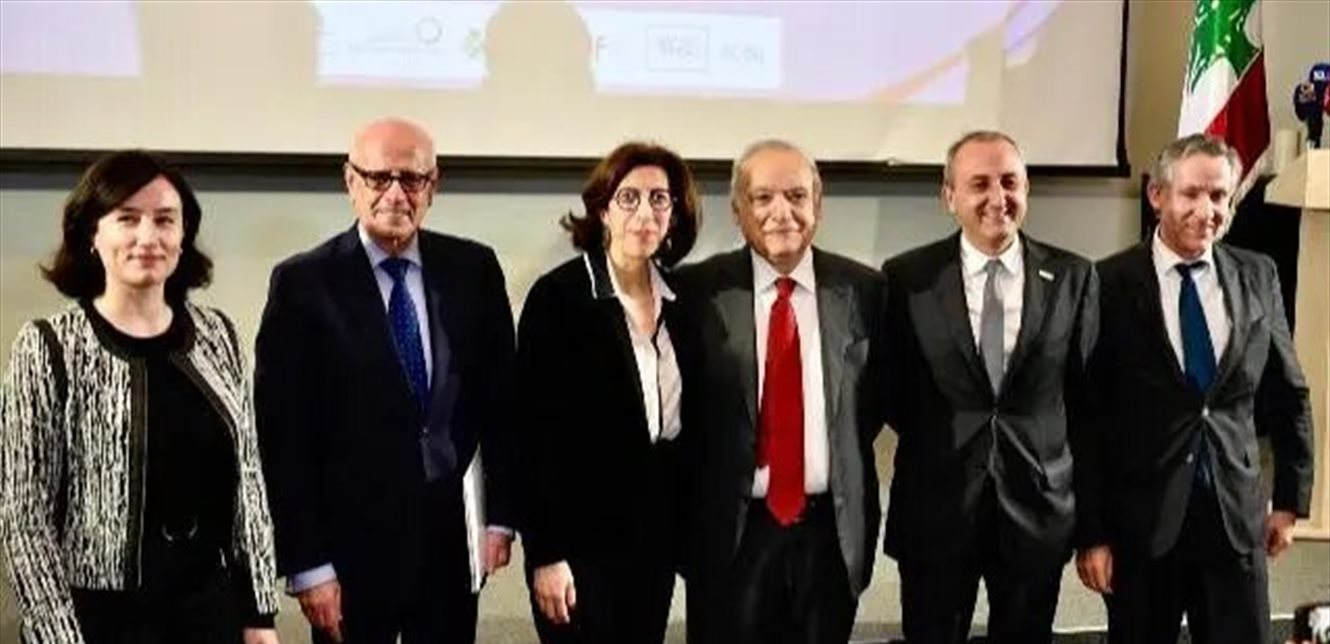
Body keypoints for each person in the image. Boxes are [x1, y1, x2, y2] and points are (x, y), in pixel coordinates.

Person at [254, 118, 517, 644]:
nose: (395, 194)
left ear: (433, 186)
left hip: (448, 547)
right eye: (378, 178)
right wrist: (308, 564)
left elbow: (503, 405)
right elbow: (284, 437)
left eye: (412, 179)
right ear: (350, 181)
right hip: (348, 555)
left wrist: (500, 518)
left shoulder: (474, 269)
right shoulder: (303, 284)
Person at [0, 150, 281, 644]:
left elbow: (249, 482)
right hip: (97, 619)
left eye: (165, 220)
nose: (147, 237)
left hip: (208, 611)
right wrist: (57, 636)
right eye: (127, 218)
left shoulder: (218, 335)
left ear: (183, 235)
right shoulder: (48, 346)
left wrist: (260, 613)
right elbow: (24, 515)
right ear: (92, 233)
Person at [1074, 133, 1314, 644]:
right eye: (1191, 194)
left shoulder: (1258, 275)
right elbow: (1087, 417)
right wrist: (1091, 534)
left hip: (1235, 520)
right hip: (1143, 526)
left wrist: (1290, 501)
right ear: (1157, 195)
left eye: (1219, 196)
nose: (1207, 211)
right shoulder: (1106, 282)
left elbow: (1288, 391)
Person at [878, 130, 1098, 644]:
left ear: (1026, 189)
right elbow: (890, 391)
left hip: (1036, 509)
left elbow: (1087, 403)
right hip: (936, 508)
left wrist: (1094, 524)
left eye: (1010, 182)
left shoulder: (1074, 276)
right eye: (979, 184)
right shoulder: (907, 278)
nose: (998, 198)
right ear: (949, 196)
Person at [677, 139, 886, 644]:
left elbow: (876, 402)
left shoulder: (866, 291)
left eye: (796, 196)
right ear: (737, 210)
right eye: (762, 197)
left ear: (818, 203)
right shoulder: (695, 292)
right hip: (732, 534)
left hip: (829, 534)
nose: (781, 212)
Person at [517, 141, 701, 643]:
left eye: (659, 199)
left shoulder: (684, 303)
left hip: (653, 541)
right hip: (578, 548)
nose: (645, 212)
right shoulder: (559, 297)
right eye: (629, 197)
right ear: (602, 209)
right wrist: (546, 553)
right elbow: (533, 436)